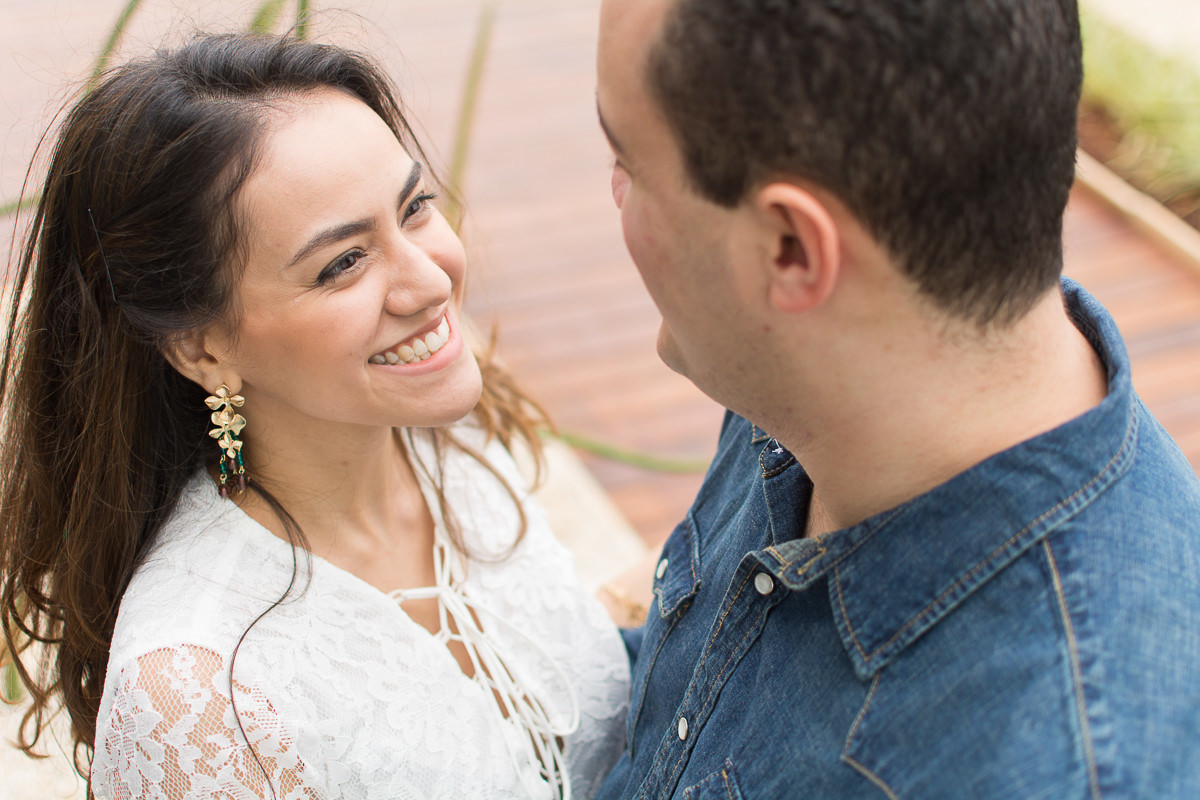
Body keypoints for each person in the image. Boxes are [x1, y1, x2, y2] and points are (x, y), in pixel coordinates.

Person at [593, 0, 1200, 798]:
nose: (613, 194)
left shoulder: (1056, 765)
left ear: (792, 250)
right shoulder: (831, 365)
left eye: (630, 165)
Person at [0, 32, 630, 799]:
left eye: (416, 207)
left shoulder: (456, 447)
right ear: (199, 348)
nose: (431, 281)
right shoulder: (197, 692)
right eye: (343, 263)